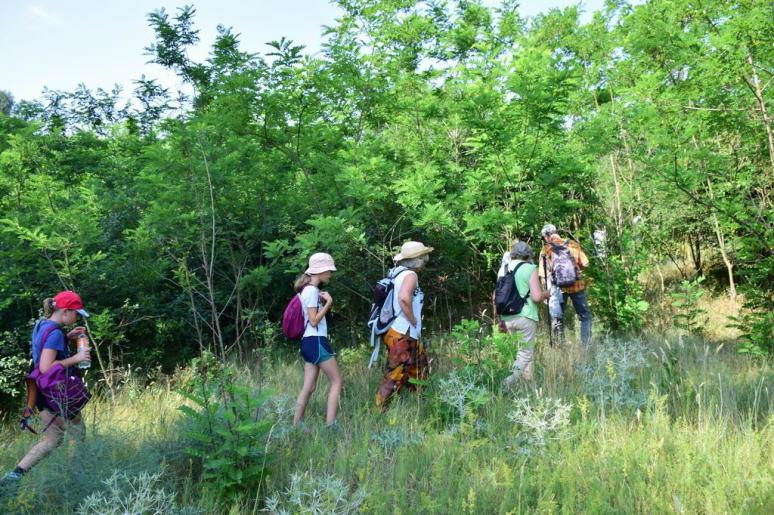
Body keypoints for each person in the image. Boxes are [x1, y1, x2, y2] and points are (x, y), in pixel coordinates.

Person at [1, 291, 91, 483]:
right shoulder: (56, 333)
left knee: (53, 439)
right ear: (65, 312)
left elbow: (42, 348)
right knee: (78, 433)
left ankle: (13, 477)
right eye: (76, 314)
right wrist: (76, 358)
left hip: (40, 391)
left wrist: (67, 338)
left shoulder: (43, 323)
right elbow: (45, 366)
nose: (77, 318)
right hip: (55, 391)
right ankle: (74, 477)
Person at [375, 241, 432, 408]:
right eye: (423, 257)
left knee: (419, 369)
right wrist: (413, 319)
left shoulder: (396, 273)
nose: (425, 261)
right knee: (395, 375)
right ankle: (379, 413)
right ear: (418, 259)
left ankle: (419, 406)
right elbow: (403, 298)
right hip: (403, 333)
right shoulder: (410, 275)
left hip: (400, 331)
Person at [292, 253, 343, 428]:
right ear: (321, 271)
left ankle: (296, 424)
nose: (331, 274)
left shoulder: (306, 290)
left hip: (308, 343)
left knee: (309, 387)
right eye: (329, 270)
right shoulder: (312, 291)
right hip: (316, 341)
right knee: (337, 381)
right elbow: (314, 321)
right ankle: (330, 424)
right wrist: (328, 303)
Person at [498, 242, 550, 386]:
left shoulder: (503, 268)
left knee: (522, 352)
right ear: (527, 255)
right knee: (526, 353)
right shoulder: (529, 268)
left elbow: (496, 296)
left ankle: (528, 382)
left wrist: (500, 320)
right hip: (525, 315)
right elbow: (537, 297)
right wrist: (547, 294)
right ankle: (509, 381)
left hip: (507, 317)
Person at [538, 223, 592, 345]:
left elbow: (543, 275)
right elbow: (586, 263)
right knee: (585, 316)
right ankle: (586, 347)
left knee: (557, 318)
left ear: (546, 236)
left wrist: (547, 293)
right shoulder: (572, 244)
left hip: (558, 288)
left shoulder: (546, 250)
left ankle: (560, 347)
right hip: (577, 285)